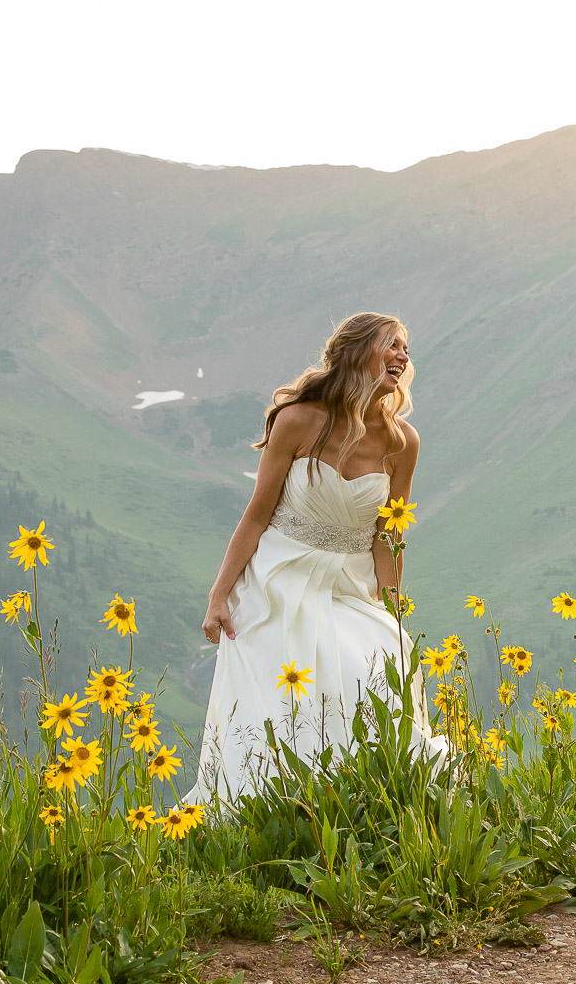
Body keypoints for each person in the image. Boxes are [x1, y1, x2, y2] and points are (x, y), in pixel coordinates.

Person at [184, 311, 449, 805]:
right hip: (278, 579)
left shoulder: (402, 442)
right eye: (392, 344)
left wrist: (392, 609)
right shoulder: (298, 420)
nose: (403, 355)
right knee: (285, 703)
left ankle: (365, 802)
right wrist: (219, 595)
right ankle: (269, 809)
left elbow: (387, 535)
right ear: (356, 351)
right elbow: (256, 516)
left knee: (381, 665)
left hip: (349, 585)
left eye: (406, 348)